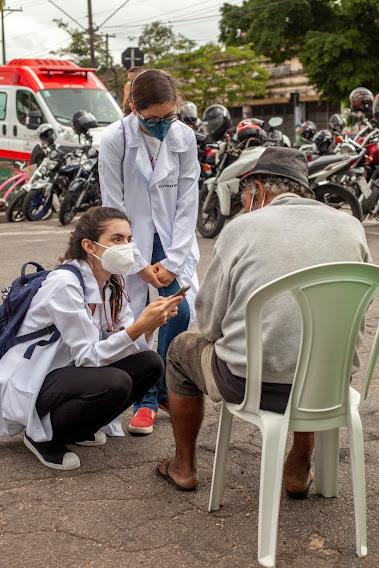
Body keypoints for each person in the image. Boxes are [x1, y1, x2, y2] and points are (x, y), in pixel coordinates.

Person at [156, 146, 372, 493]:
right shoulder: (350, 226)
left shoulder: (242, 228)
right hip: (328, 385)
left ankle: (183, 467)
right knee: (312, 351)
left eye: (243, 198)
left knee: (181, 350)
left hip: (251, 386)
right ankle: (300, 460)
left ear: (257, 191)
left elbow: (210, 324)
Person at [0, 207, 182, 470]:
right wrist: (138, 327)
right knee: (115, 382)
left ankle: (76, 428)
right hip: (36, 376)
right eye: (117, 239)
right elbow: (88, 355)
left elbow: (125, 343)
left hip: (68, 372)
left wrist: (148, 326)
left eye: (129, 240)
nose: (127, 246)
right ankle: (42, 436)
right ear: (89, 245)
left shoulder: (112, 283)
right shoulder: (64, 283)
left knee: (150, 364)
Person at [99, 69, 200, 435]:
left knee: (179, 309)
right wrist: (139, 266)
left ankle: (161, 389)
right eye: (152, 119)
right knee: (138, 316)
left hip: (173, 240)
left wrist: (173, 262)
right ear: (132, 108)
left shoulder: (184, 137)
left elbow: (189, 202)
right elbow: (113, 207)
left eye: (168, 116)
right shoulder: (114, 140)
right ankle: (146, 398)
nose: (162, 125)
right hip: (130, 238)